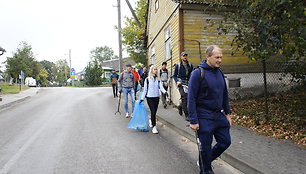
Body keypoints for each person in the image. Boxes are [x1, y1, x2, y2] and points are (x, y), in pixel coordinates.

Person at [188, 45, 232, 174]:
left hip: (218, 116)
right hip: (203, 116)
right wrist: (193, 120)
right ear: (208, 57)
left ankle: (204, 161)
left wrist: (228, 113)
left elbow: (224, 94)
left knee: (225, 142)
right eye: (217, 57)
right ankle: (206, 169)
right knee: (205, 148)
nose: (220, 60)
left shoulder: (219, 72)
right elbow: (191, 98)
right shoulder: (198, 74)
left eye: (221, 57)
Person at [140, 65, 167, 134]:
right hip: (149, 97)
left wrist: (165, 92)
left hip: (156, 97)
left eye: (156, 69)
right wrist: (142, 98)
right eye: (155, 69)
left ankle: (151, 121)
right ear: (151, 70)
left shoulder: (158, 79)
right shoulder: (147, 79)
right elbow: (145, 90)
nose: (156, 70)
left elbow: (161, 87)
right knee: (153, 111)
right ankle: (154, 127)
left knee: (154, 112)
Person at [173, 52, 194, 120]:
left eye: (186, 56)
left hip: (188, 83)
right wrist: (177, 81)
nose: (185, 57)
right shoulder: (178, 65)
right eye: (183, 56)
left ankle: (180, 106)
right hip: (181, 83)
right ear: (181, 57)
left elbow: (191, 74)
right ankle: (187, 115)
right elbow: (174, 75)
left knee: (188, 97)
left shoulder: (190, 65)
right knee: (184, 97)